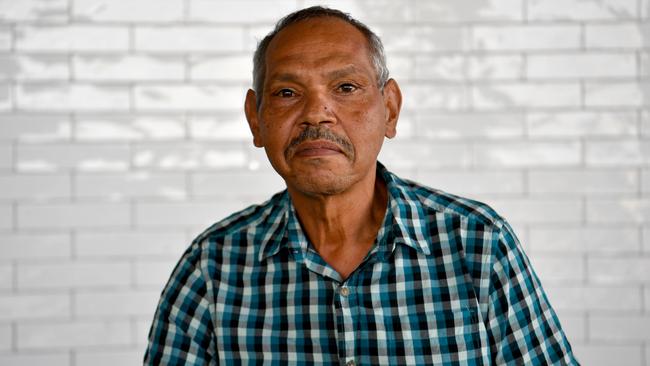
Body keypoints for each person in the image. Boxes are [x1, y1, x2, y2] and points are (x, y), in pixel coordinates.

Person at [144, 6, 578, 365]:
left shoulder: (479, 244)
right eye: (287, 93)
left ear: (389, 109)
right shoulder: (213, 267)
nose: (318, 113)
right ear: (255, 118)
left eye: (346, 86)